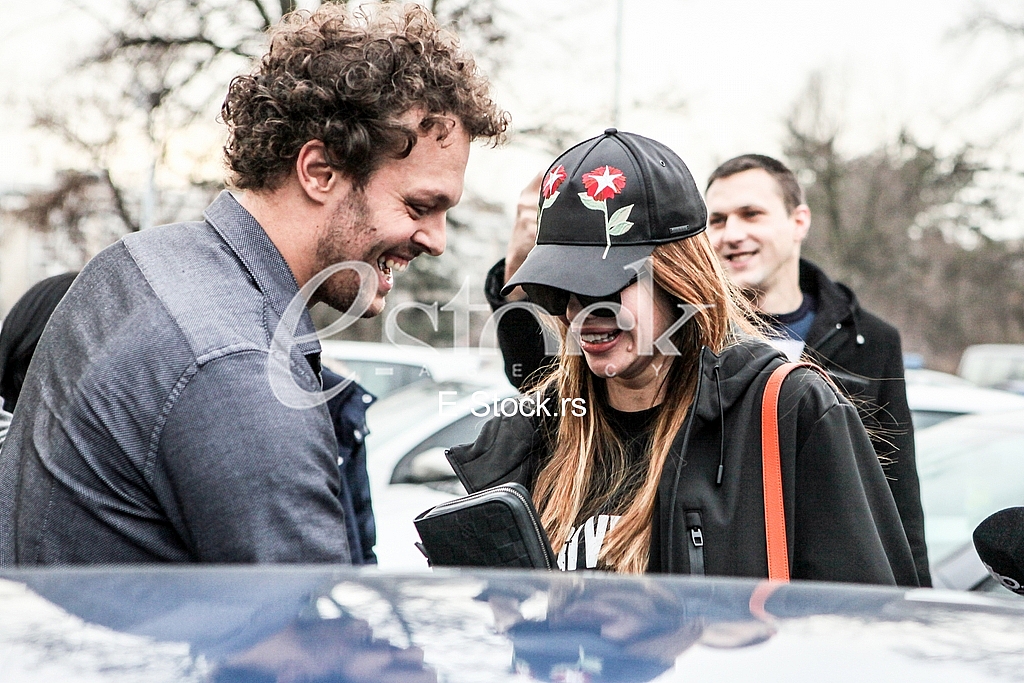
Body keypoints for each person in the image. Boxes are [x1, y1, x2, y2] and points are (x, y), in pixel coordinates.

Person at [0, 3, 507, 565]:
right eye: (418, 205)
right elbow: (309, 638)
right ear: (319, 172)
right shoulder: (239, 367)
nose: (435, 241)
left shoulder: (137, 262)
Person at [452, 129, 918, 584]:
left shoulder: (789, 409)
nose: (584, 312)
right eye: (562, 290)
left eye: (605, 284)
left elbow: (863, 624)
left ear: (680, 280)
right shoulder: (538, 428)